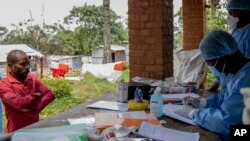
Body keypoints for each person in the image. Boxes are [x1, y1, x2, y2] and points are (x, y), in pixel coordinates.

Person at [174, 30, 250, 140]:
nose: (212, 69)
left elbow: (227, 123)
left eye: (210, 63)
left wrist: (194, 113)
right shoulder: (241, 72)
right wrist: (204, 103)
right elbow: (229, 98)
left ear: (222, 59)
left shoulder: (246, 80)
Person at [0, 50, 55, 133]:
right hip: (16, 133)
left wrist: (37, 107)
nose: (27, 67)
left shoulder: (31, 79)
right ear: (10, 66)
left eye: (28, 64)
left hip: (34, 129)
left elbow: (50, 94)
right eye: (23, 64)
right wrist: (36, 96)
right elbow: (20, 104)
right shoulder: (4, 85)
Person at [208, 0, 250, 92]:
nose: (230, 16)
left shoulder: (248, 34)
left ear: (246, 11)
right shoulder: (236, 31)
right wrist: (218, 79)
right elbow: (225, 59)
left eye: (233, 12)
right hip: (228, 87)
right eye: (229, 13)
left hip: (242, 88)